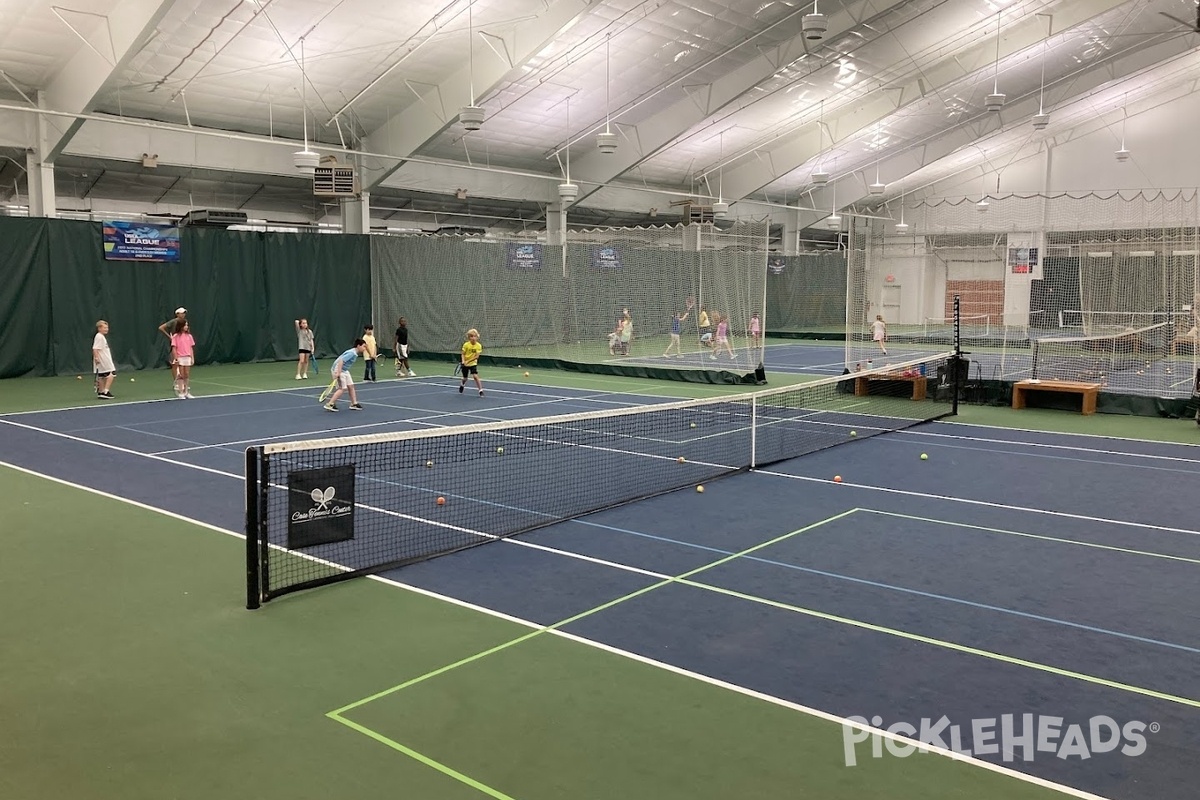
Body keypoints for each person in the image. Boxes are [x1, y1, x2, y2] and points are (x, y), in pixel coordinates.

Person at [325, 339, 366, 411]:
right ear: (358, 346)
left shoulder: (354, 352)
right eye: (364, 346)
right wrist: (338, 372)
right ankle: (330, 404)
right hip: (338, 369)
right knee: (342, 388)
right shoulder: (352, 353)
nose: (364, 348)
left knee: (351, 386)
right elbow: (341, 361)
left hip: (344, 370)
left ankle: (354, 404)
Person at [158, 307, 187, 384]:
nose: (183, 314)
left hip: (183, 344)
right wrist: (170, 337)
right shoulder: (173, 321)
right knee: (175, 364)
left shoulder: (185, 322)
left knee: (183, 364)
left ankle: (183, 383)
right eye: (182, 313)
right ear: (177, 314)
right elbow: (161, 328)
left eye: (184, 313)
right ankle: (176, 383)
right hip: (175, 344)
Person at [170, 319, 197, 399]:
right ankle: (181, 393)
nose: (187, 326)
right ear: (181, 326)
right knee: (181, 375)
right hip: (180, 358)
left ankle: (186, 392)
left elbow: (191, 348)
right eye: (185, 325)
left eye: (187, 325)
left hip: (187, 357)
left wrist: (192, 358)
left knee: (187, 375)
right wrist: (176, 358)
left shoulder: (189, 336)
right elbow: (174, 348)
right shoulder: (175, 337)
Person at [92, 320, 116, 399]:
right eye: (105, 328)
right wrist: (96, 358)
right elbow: (95, 349)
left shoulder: (100, 336)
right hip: (103, 360)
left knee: (101, 375)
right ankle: (106, 391)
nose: (107, 329)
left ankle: (101, 392)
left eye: (107, 328)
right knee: (111, 374)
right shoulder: (99, 336)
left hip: (102, 359)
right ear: (99, 328)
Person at [459, 328, 484, 396]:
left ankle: (480, 390)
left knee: (475, 376)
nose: (473, 338)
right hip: (465, 364)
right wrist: (463, 361)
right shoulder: (466, 345)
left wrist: (468, 361)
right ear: (469, 337)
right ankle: (462, 384)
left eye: (475, 336)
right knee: (465, 378)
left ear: (477, 337)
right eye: (471, 336)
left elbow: (476, 357)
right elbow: (463, 354)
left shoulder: (478, 346)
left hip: (473, 363)